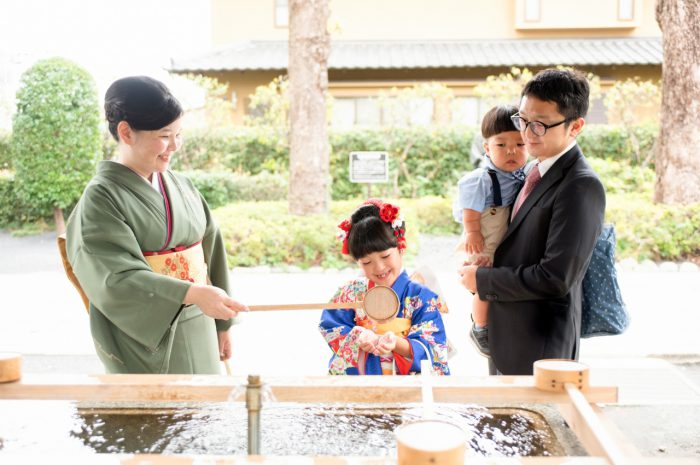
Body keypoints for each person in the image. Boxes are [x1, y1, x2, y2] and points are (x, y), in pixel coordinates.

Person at [66, 76, 246, 374]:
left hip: (202, 317)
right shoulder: (101, 197)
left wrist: (223, 323)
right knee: (158, 416)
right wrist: (192, 294)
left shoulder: (182, 185)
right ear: (126, 132)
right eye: (164, 135)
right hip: (146, 336)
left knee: (205, 414)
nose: (174, 146)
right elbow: (116, 278)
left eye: (179, 134)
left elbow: (211, 249)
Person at [459, 68, 606, 375]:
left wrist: (482, 282)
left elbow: (555, 277)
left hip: (539, 348)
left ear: (575, 126)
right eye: (522, 120)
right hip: (509, 336)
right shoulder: (532, 171)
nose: (526, 134)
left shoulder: (580, 185)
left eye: (539, 125)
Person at [319, 199, 450, 375]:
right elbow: (330, 325)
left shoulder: (421, 296)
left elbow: (433, 346)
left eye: (385, 256)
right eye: (366, 262)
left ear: (400, 248)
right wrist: (357, 337)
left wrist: (395, 343)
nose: (379, 268)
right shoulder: (351, 293)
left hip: (408, 389)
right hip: (363, 384)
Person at [453, 104, 528, 358]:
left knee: (496, 286)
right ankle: (480, 327)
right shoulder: (481, 178)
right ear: (487, 148)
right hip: (482, 241)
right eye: (501, 145)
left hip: (499, 239)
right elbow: (470, 212)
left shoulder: (520, 174)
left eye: (519, 144)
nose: (511, 151)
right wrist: (473, 232)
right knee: (485, 285)